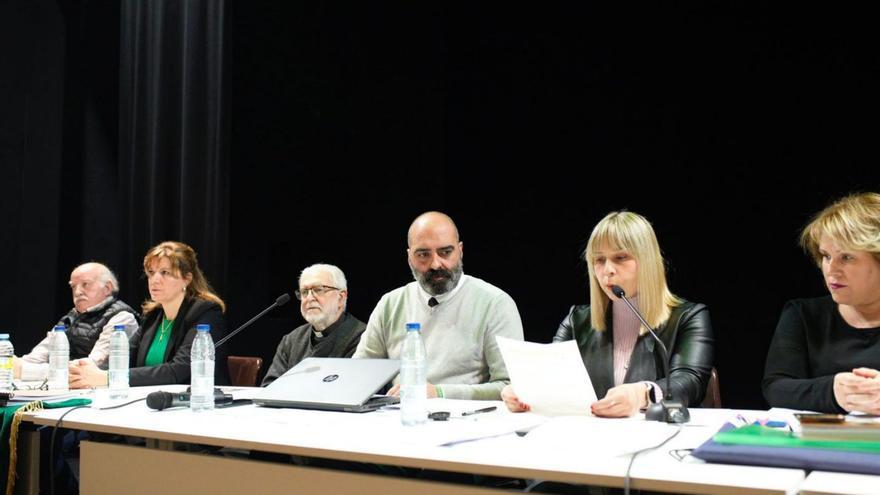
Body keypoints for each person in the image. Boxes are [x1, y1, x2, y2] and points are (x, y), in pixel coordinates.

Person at [502, 211, 714, 417]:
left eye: (621, 257)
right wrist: (523, 391)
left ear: (647, 261)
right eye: (599, 260)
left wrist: (642, 394)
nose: (608, 270)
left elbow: (690, 381)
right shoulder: (577, 320)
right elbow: (552, 375)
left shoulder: (689, 317)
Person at [353, 211, 524, 400]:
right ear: (409, 257)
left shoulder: (495, 303)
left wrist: (440, 393)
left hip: (469, 421)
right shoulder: (391, 303)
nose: (436, 264)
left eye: (445, 252)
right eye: (423, 254)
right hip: (403, 416)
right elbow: (359, 374)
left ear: (460, 250)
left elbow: (511, 386)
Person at [763, 192, 880, 414]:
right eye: (826, 256)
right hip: (821, 442)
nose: (830, 269)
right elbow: (775, 388)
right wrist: (833, 392)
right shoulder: (803, 315)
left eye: (846, 257)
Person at [69, 241, 228, 388]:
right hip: (151, 402)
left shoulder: (205, 313)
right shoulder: (153, 316)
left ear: (187, 279)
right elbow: (125, 359)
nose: (154, 280)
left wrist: (107, 378)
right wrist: (84, 371)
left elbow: (179, 370)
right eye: (151, 272)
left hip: (197, 403)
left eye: (165, 272)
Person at [13, 262, 139, 381]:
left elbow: (88, 370)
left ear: (107, 288)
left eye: (85, 284)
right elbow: (35, 358)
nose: (77, 292)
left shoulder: (122, 318)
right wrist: (14, 365)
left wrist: (24, 371)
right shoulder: (71, 317)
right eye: (73, 286)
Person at [261, 264, 366, 386]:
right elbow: (269, 387)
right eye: (304, 292)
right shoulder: (291, 340)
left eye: (319, 290)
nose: (309, 298)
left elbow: (349, 390)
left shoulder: (362, 338)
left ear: (341, 298)